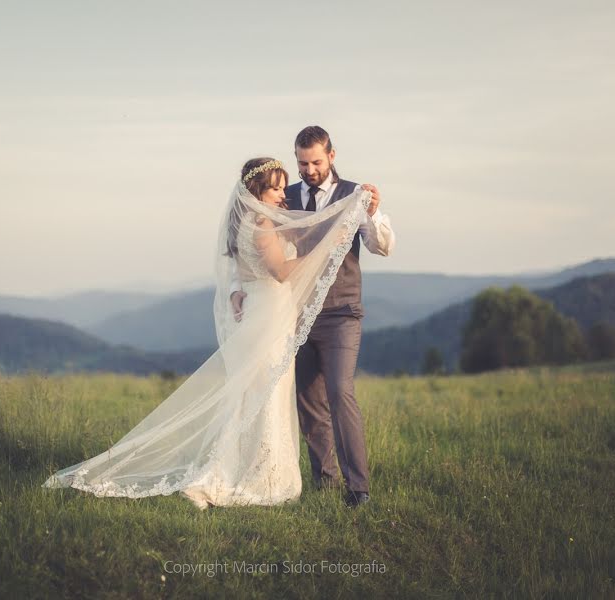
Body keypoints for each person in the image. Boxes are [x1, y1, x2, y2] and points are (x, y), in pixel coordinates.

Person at [43, 157, 373, 509]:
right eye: (274, 188)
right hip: (269, 320)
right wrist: (330, 246)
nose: (281, 195)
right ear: (255, 191)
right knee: (268, 397)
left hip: (263, 315)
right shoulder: (262, 221)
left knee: (256, 396)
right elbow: (280, 271)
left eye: (281, 186)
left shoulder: (247, 220)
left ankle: (251, 470)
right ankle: (263, 479)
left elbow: (258, 257)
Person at [231, 126, 395, 507]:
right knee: (308, 400)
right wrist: (240, 288)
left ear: (332, 156)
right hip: (292, 312)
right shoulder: (281, 196)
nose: (308, 170)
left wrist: (371, 214)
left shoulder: (355, 195)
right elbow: (253, 246)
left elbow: (381, 246)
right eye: (302, 163)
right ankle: (325, 482)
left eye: (316, 162)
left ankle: (359, 489)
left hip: (341, 311)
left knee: (340, 391)